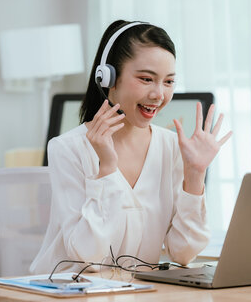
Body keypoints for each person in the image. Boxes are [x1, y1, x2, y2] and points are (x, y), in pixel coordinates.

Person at [30, 20, 232, 274]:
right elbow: (87, 258)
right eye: (147, 79)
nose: (159, 94)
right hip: (69, 292)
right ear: (108, 78)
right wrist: (107, 168)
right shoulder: (67, 148)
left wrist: (195, 175)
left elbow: (183, 253)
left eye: (168, 82)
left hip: (136, 292)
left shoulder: (171, 147)